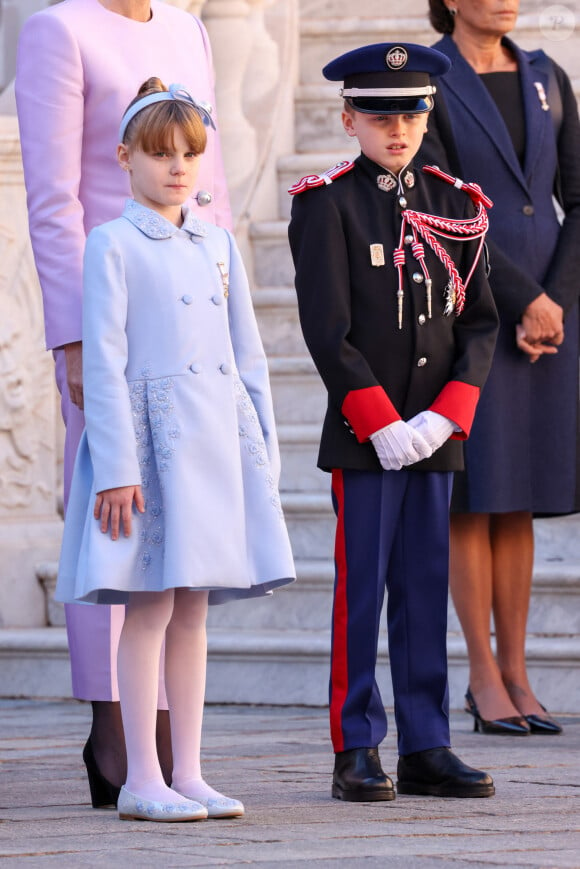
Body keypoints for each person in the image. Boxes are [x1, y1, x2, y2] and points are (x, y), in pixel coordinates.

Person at [55, 78, 295, 822]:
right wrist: (118, 468)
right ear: (125, 157)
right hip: (148, 451)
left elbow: (247, 356)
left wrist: (263, 456)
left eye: (190, 152)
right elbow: (104, 358)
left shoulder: (218, 242)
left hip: (217, 448)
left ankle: (188, 769)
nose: (178, 167)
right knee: (149, 608)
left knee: (194, 609)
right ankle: (142, 777)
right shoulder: (113, 244)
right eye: (160, 154)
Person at [15, 0, 231, 805]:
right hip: (108, 313)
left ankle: (168, 728)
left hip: (185, 308)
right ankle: (111, 723)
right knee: (111, 515)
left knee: (179, 515)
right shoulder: (58, 29)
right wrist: (70, 335)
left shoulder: (189, 27)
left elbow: (212, 179)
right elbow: (53, 195)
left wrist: (218, 282)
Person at [288, 42, 499, 801]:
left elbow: (480, 323)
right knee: (363, 590)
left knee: (423, 585)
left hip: (433, 438)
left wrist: (446, 418)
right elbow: (327, 330)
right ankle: (356, 744)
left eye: (409, 111)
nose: (396, 127)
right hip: (364, 434)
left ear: (427, 113)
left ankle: (427, 743)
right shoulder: (327, 203)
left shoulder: (457, 205)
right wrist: (378, 419)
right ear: (349, 118)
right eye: (378, 113)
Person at [420, 0, 580, 736]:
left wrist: (558, 301)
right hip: (472, 308)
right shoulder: (430, 77)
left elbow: (575, 198)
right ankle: (482, 676)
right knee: (475, 493)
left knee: (521, 492)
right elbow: (442, 205)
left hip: (553, 308)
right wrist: (522, 300)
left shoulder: (548, 77)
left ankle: (518, 672)